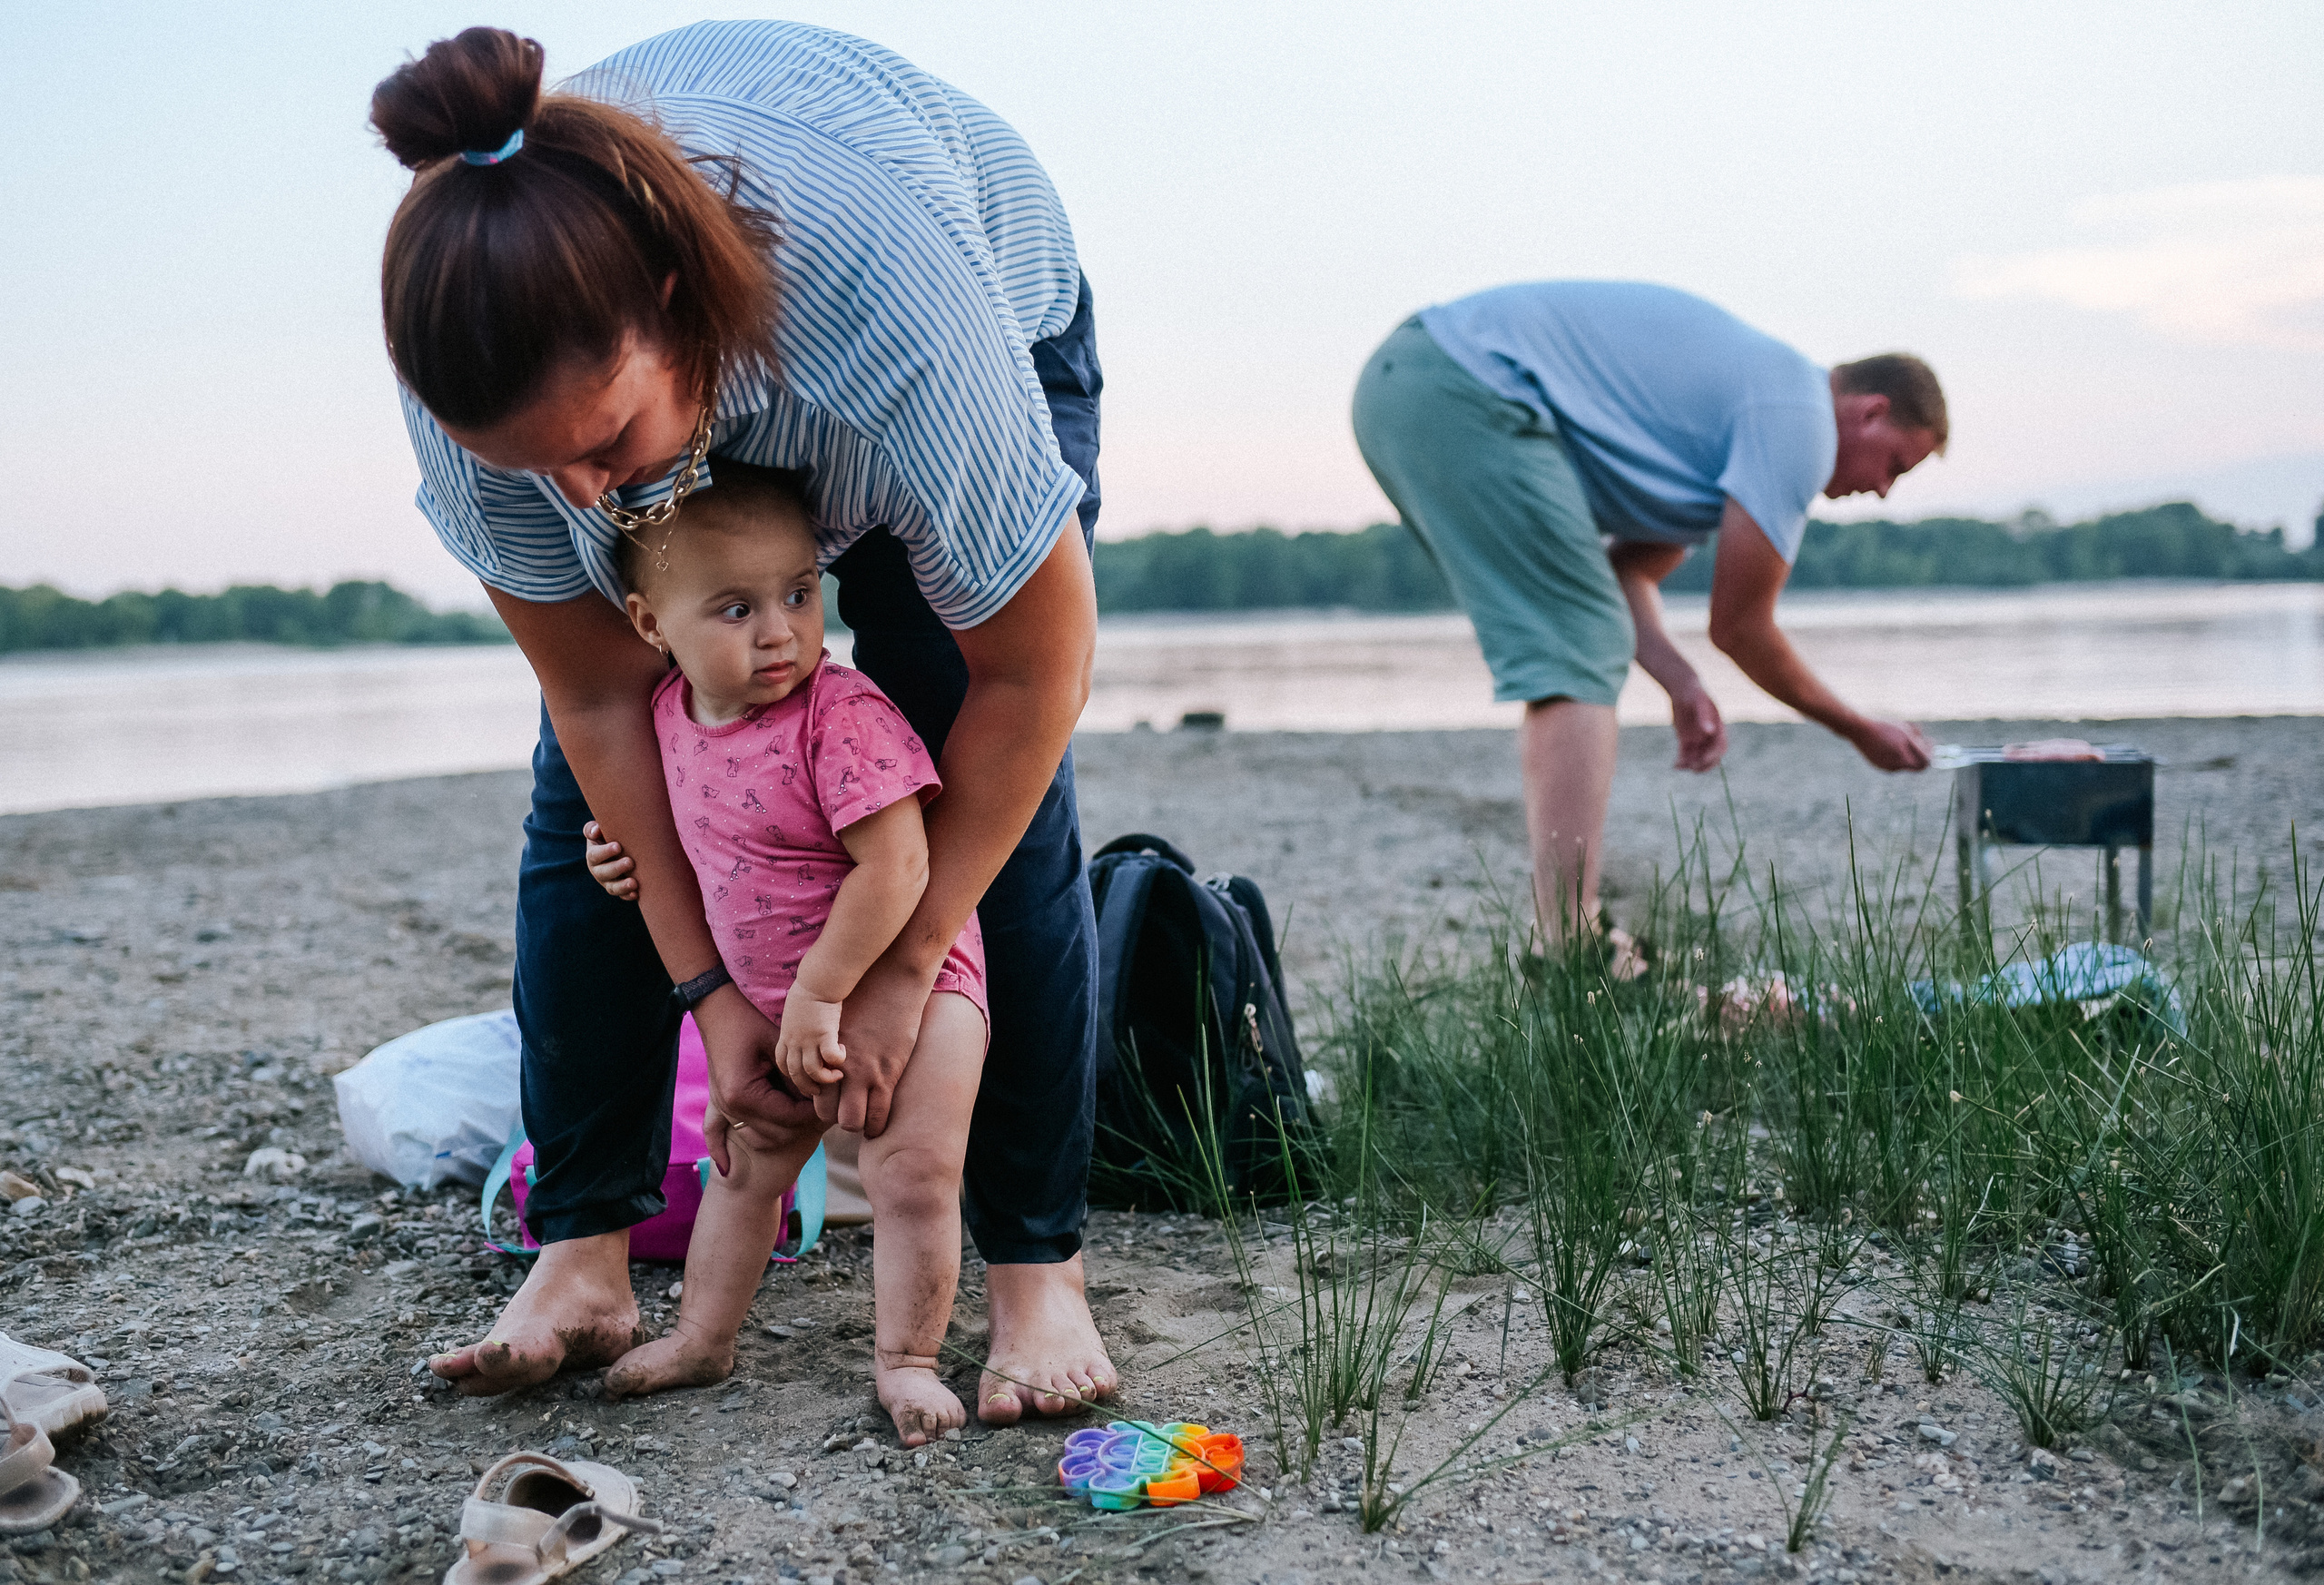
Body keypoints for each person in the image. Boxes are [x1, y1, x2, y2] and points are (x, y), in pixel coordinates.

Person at [369, 21, 1115, 1423]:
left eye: (601, 448)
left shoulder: (891, 334)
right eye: (537, 469)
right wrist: (713, 995)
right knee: (591, 794)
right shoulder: (482, 382)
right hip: (717, 364)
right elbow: (600, 698)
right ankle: (580, 1248)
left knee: (964, 755)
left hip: (965, 294)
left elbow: (1031, 678)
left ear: (664, 304)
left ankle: (1035, 1264)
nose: (584, 500)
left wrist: (902, 962)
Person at [579, 466, 987, 1444]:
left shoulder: (839, 715)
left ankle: (909, 1362)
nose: (780, 632)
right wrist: (613, 853)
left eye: (800, 594)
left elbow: (897, 867)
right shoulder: (668, 718)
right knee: (746, 1167)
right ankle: (702, 1339)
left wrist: (821, 995)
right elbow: (684, 841)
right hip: (773, 1005)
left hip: (908, 985)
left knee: (912, 1174)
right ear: (651, 626)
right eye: (735, 608)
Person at [1352, 281, 1945, 940]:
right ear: (1870, 411)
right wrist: (1859, 728)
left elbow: (1625, 574)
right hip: (1461, 383)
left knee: (1583, 631)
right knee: (1577, 643)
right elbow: (1742, 628)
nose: (1884, 490)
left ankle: (1568, 939)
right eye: (1895, 464)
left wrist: (1679, 680)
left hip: (1416, 379)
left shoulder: (1741, 424)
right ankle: (1570, 946)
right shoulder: (1798, 419)